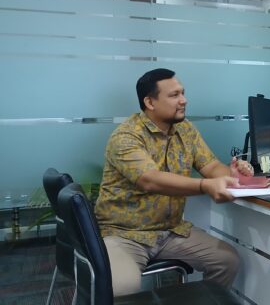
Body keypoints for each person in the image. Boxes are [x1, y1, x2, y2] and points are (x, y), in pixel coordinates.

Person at [94, 68, 254, 296]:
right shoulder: (126, 136)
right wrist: (204, 186)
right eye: (174, 95)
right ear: (150, 102)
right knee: (124, 289)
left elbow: (210, 166)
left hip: (170, 231)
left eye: (183, 93)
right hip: (124, 234)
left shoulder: (185, 129)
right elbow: (150, 179)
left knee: (226, 260)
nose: (184, 100)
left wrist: (230, 173)